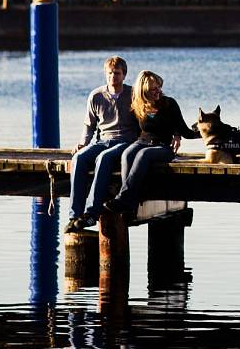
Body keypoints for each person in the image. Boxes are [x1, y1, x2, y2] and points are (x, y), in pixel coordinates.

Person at [101, 70, 199, 219]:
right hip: (142, 142)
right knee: (127, 154)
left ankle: (123, 199)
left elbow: (184, 130)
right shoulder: (138, 106)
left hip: (163, 147)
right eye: (154, 88)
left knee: (143, 155)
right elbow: (132, 128)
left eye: (159, 87)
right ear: (143, 90)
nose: (158, 91)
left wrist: (204, 133)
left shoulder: (169, 104)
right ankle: (131, 207)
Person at [65, 56, 139, 233]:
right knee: (79, 158)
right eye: (110, 73)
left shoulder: (134, 94)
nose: (113, 76)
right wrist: (82, 143)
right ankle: (74, 215)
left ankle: (91, 213)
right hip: (103, 139)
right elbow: (89, 125)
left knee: (104, 159)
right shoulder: (96, 96)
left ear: (124, 75)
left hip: (126, 140)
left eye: (117, 73)